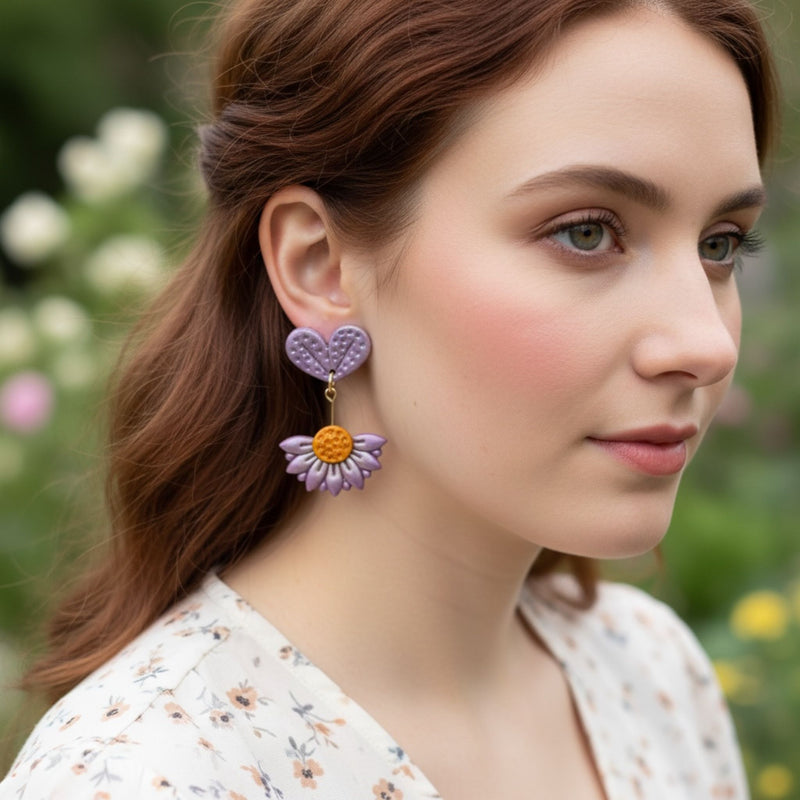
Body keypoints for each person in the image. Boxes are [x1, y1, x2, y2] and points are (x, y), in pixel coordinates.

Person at [0, 0, 779, 797]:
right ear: (319, 266)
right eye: (585, 232)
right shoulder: (145, 774)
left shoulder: (650, 677)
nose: (706, 344)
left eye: (720, 245)